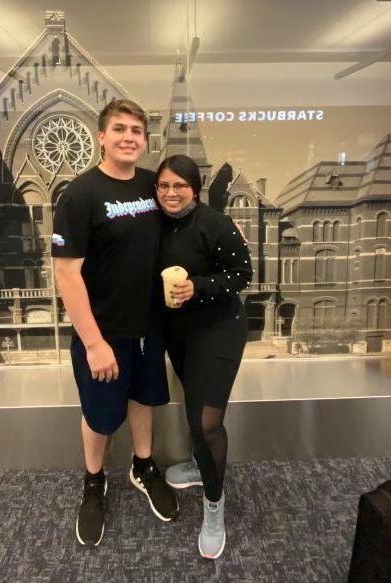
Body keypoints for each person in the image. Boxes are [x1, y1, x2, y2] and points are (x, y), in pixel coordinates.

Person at [52, 99, 178, 548]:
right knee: (100, 417)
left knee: (143, 398)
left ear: (145, 140)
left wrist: (226, 231)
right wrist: (93, 343)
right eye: (120, 129)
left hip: (149, 327)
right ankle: (94, 480)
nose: (129, 137)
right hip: (102, 335)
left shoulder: (152, 185)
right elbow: (66, 273)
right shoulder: (80, 195)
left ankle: (143, 465)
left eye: (136, 131)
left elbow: (187, 219)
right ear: (102, 137)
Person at [156, 154, 253, 559]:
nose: (171, 193)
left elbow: (242, 274)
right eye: (164, 185)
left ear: (195, 189)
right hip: (180, 333)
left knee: (208, 422)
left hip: (219, 329)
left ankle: (214, 503)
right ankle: (201, 466)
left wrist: (198, 286)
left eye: (180, 185)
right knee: (194, 408)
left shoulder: (215, 223)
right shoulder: (153, 223)